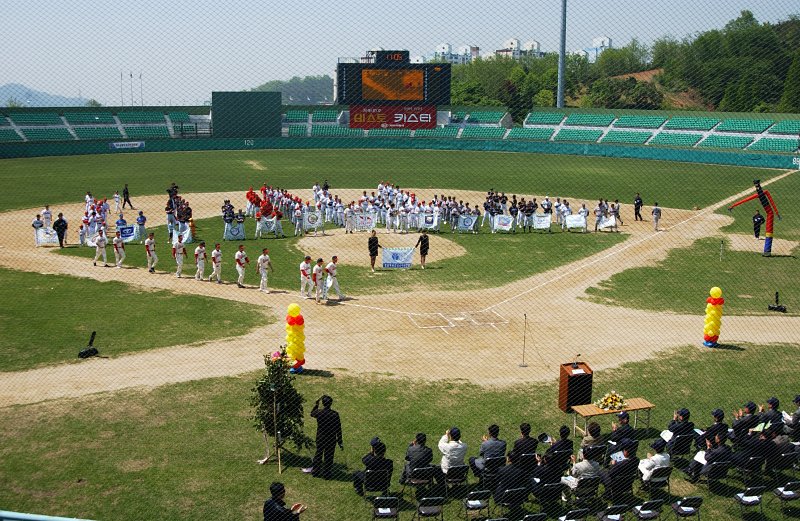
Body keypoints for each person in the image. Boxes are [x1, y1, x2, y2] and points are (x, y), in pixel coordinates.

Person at [303, 395, 343, 479]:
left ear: (323, 403)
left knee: (318, 454)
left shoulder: (319, 413)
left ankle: (316, 471)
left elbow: (312, 413)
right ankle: (327, 474)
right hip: (331, 438)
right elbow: (338, 428)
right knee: (329, 456)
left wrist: (316, 405)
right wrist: (340, 440)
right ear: (330, 404)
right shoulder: (335, 414)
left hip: (321, 437)